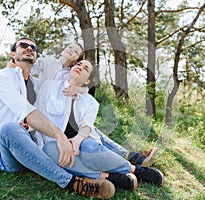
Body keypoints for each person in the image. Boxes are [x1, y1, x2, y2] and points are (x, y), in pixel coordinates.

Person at [0, 37, 115, 199]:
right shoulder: (3, 77)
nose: (29, 48)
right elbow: (28, 112)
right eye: (23, 45)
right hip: (7, 154)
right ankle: (72, 182)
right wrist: (59, 136)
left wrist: (80, 91)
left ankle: (120, 166)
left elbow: (64, 93)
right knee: (9, 129)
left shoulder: (37, 84)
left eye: (33, 47)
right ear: (13, 54)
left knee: (80, 128)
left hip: (34, 147)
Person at [34, 59, 165, 191]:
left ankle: (136, 170)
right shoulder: (49, 86)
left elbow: (87, 125)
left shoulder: (90, 102)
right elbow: (37, 111)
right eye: (79, 64)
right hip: (54, 141)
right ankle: (109, 176)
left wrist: (77, 141)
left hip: (80, 140)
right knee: (50, 151)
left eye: (86, 68)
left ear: (87, 81)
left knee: (90, 147)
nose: (80, 67)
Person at [31, 42, 158, 167]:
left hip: (62, 112)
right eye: (69, 47)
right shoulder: (47, 62)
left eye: (75, 52)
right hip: (46, 108)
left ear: (76, 60)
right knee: (89, 130)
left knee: (88, 129)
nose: (71, 50)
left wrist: (80, 89)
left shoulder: (71, 72)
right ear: (61, 51)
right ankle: (130, 157)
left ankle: (129, 158)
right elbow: (28, 70)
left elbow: (81, 87)